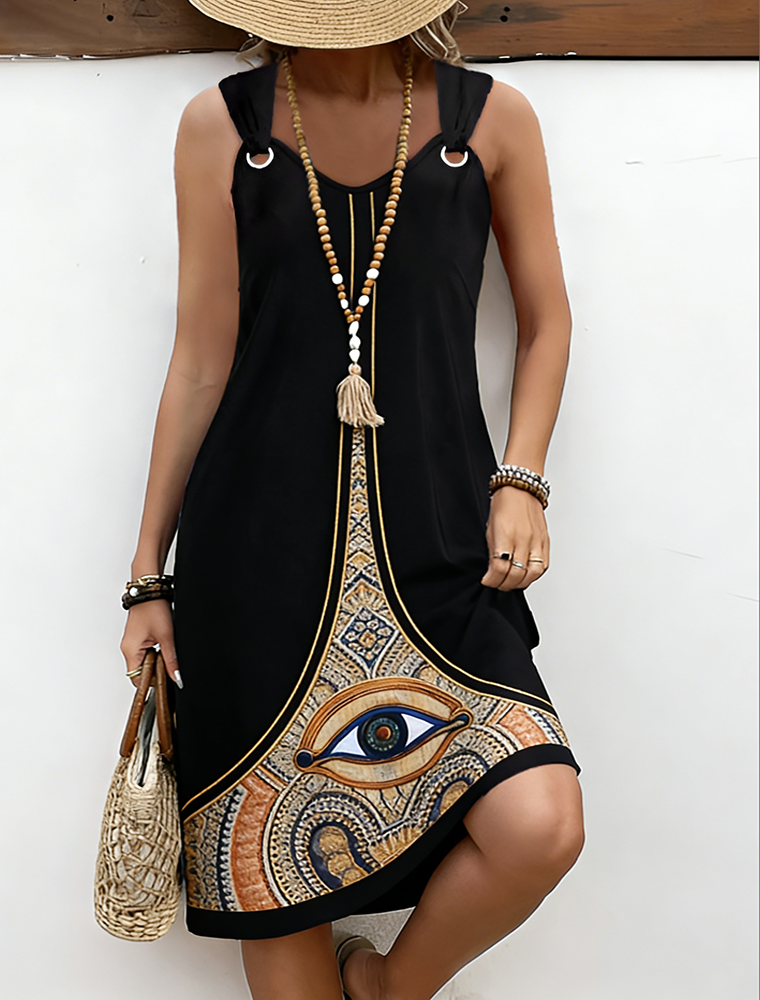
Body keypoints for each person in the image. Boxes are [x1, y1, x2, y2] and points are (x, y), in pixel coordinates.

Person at [119, 1, 585, 997]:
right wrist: (148, 574)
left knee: (539, 824)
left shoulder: (489, 122)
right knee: (276, 876)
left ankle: (383, 987)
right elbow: (199, 360)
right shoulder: (223, 128)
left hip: (444, 545)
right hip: (252, 560)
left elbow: (546, 322)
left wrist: (521, 479)